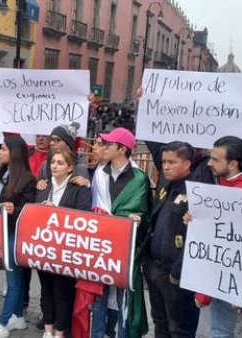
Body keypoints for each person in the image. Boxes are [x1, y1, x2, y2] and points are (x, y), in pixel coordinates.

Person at [187, 136, 242, 337]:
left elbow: (225, 248)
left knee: (220, 331)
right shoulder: (227, 188)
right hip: (222, 278)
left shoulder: (238, 195)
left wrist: (204, 293)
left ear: (233, 163)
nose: (209, 163)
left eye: (216, 160)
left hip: (225, 279)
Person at [88, 128, 150, 338]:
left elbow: (142, 213)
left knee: (125, 302)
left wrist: (135, 220)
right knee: (99, 299)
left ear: (122, 149)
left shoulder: (139, 178)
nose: (103, 148)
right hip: (100, 247)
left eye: (108, 145)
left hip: (125, 250)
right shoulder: (99, 173)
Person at [144, 141, 201, 337]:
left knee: (179, 329)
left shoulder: (197, 194)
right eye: (164, 161)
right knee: (160, 323)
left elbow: (197, 240)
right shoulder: (165, 186)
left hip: (176, 275)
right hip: (155, 268)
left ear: (187, 164)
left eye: (172, 162)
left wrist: (178, 272)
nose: (166, 166)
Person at [0, 137, 37, 338]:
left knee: (13, 280)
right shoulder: (1, 173)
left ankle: (2, 323)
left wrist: (16, 209)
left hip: (16, 234)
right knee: (15, 278)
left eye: (3, 149)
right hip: (2, 232)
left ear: (14, 153)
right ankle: (19, 317)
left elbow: (31, 210)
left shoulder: (28, 179)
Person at [37, 149, 92, 338]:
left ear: (70, 168)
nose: (55, 166)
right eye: (53, 162)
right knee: (46, 291)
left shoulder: (79, 188)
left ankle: (60, 332)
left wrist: (56, 212)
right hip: (43, 249)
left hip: (65, 252)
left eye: (60, 163)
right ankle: (48, 330)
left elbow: (82, 218)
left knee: (61, 292)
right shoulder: (43, 186)